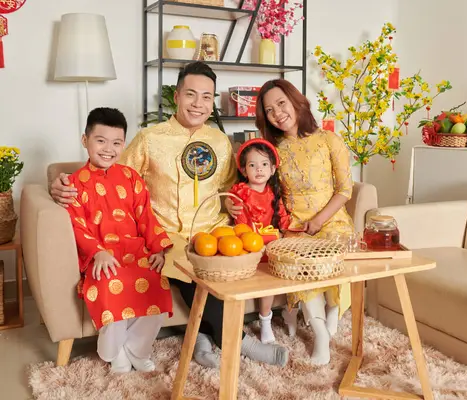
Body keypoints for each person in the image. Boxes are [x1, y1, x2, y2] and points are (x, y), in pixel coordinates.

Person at [50, 62, 288, 369]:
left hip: (214, 228)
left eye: (206, 97)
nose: (198, 104)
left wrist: (233, 205)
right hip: (166, 235)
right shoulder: (150, 139)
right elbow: (110, 173)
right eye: (191, 94)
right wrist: (60, 181)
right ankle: (242, 342)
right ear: (176, 96)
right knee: (190, 264)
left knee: (228, 262)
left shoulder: (219, 141)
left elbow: (232, 186)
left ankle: (203, 337)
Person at [226, 79, 354, 365]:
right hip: (293, 225)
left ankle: (332, 310)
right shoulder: (273, 149)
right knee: (299, 263)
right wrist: (230, 203)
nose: (277, 113)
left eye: (281, 103)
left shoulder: (329, 140)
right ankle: (320, 332)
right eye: (269, 110)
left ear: (297, 101)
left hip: (331, 221)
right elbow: (253, 187)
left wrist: (320, 220)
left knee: (337, 253)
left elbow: (345, 190)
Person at [65, 107, 174, 373]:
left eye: (116, 142)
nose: (108, 149)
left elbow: (146, 217)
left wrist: (159, 249)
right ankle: (113, 353)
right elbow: (76, 225)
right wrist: (97, 252)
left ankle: (137, 349)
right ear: (85, 140)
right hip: (101, 257)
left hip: (135, 252)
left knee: (156, 279)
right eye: (100, 140)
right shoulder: (73, 184)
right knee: (110, 281)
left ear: (123, 144)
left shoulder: (131, 178)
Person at [229, 138, 291, 344]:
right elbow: (242, 225)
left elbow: (283, 218)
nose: (259, 170)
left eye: (264, 164)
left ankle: (266, 323)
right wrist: (256, 242)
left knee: (269, 283)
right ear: (245, 170)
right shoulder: (240, 192)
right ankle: (234, 324)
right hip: (248, 246)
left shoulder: (274, 193)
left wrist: (288, 233)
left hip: (270, 247)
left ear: (273, 169)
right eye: (252, 165)